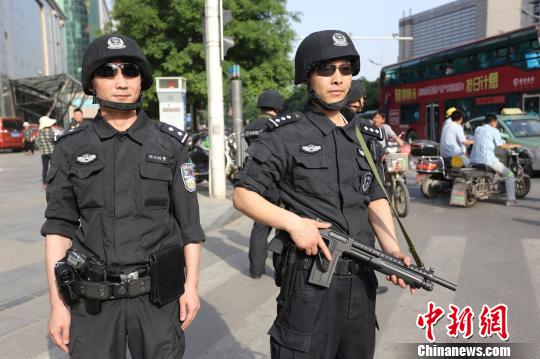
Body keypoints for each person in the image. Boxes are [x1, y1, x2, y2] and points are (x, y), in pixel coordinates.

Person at [233, 30, 414, 359]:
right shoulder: (284, 136)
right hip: (309, 283)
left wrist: (391, 251)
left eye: (345, 70)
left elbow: (373, 196)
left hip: (360, 282)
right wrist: (292, 223)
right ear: (307, 76)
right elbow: (244, 195)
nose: (337, 79)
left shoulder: (361, 135)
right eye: (326, 70)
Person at [41, 34, 204, 358]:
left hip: (157, 300)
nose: (120, 81)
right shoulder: (70, 148)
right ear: (91, 83)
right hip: (93, 302)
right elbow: (59, 229)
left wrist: (192, 286)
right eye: (108, 71)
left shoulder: (169, 145)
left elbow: (189, 225)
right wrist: (57, 305)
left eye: (129, 70)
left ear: (141, 79)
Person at [244, 89, 284, 278]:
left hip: (256, 183)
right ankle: (281, 271)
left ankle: (256, 270)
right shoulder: (278, 125)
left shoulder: (250, 126)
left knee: (259, 228)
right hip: (277, 182)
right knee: (281, 230)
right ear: (277, 107)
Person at [470, 114, 522, 206]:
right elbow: (502, 146)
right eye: (496, 122)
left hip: (474, 160)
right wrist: (516, 145)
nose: (496, 124)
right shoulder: (494, 130)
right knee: (510, 174)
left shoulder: (478, 129)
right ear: (493, 122)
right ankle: (511, 200)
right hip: (488, 160)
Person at [37, 116, 56, 187]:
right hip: (52, 152)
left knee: (45, 168)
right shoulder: (50, 130)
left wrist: (42, 148)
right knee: (54, 167)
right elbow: (54, 140)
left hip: (44, 153)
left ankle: (44, 183)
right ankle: (54, 180)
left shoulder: (39, 132)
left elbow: (37, 142)